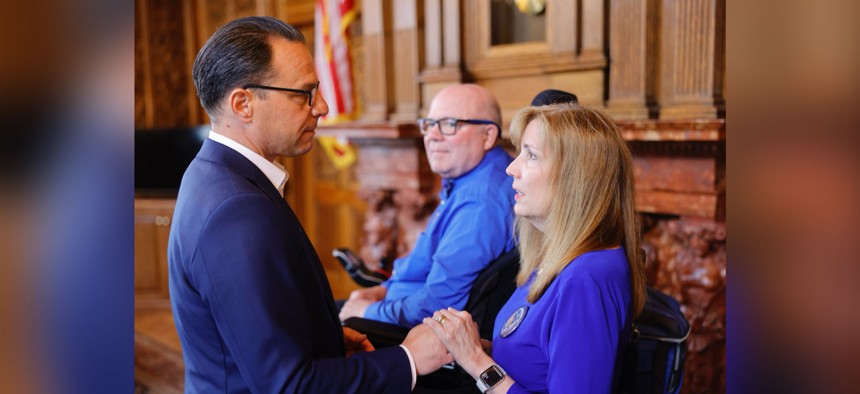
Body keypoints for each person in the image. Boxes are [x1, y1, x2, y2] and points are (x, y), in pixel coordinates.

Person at [168, 16, 450, 393]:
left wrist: (328, 340)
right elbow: (289, 386)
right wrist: (410, 358)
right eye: (305, 93)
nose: (322, 106)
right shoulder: (236, 212)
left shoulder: (210, 173)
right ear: (243, 103)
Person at [422, 103, 648, 393]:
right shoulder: (559, 254)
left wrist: (475, 360)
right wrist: (466, 344)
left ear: (575, 175)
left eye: (530, 155)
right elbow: (538, 360)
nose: (511, 168)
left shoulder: (585, 278)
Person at [338, 84, 516, 328]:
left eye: (449, 124)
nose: (432, 135)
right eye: (429, 124)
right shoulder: (471, 177)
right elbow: (424, 268)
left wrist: (369, 311)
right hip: (402, 305)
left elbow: (437, 305)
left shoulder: (480, 202)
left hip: (416, 332)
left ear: (487, 136)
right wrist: (381, 290)